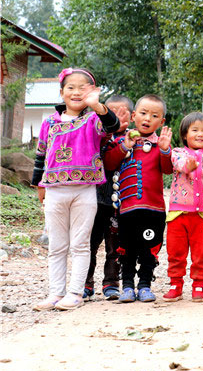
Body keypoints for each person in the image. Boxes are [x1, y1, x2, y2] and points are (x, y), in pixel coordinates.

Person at [31, 68, 120, 311]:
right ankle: (55, 293)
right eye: (71, 87)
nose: (76, 92)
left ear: (92, 92)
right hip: (55, 191)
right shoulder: (49, 122)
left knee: (80, 244)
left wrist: (98, 106)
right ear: (62, 93)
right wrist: (38, 185)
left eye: (83, 88)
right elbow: (41, 155)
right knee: (57, 246)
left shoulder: (93, 120)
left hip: (84, 191)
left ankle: (75, 293)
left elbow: (113, 126)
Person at [104, 94, 173, 303]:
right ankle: (126, 286)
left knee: (148, 249)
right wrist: (125, 146)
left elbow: (168, 169)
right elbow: (109, 163)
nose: (147, 118)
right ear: (134, 116)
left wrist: (165, 150)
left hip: (154, 210)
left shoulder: (160, 145)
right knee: (127, 249)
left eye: (154, 116)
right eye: (143, 113)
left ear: (161, 122)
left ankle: (144, 286)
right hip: (127, 210)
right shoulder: (123, 141)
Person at [162, 112, 203, 302]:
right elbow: (179, 164)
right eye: (194, 130)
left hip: (202, 215)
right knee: (176, 252)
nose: (200, 134)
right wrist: (188, 166)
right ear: (185, 134)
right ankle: (175, 284)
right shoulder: (178, 152)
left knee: (201, 253)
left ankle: (199, 285)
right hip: (178, 213)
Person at [84, 94, 133, 301]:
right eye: (111, 112)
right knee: (89, 244)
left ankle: (111, 283)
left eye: (122, 112)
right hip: (95, 199)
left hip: (120, 202)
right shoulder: (98, 136)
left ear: (132, 117)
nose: (117, 116)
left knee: (115, 245)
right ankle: (85, 283)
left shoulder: (135, 138)